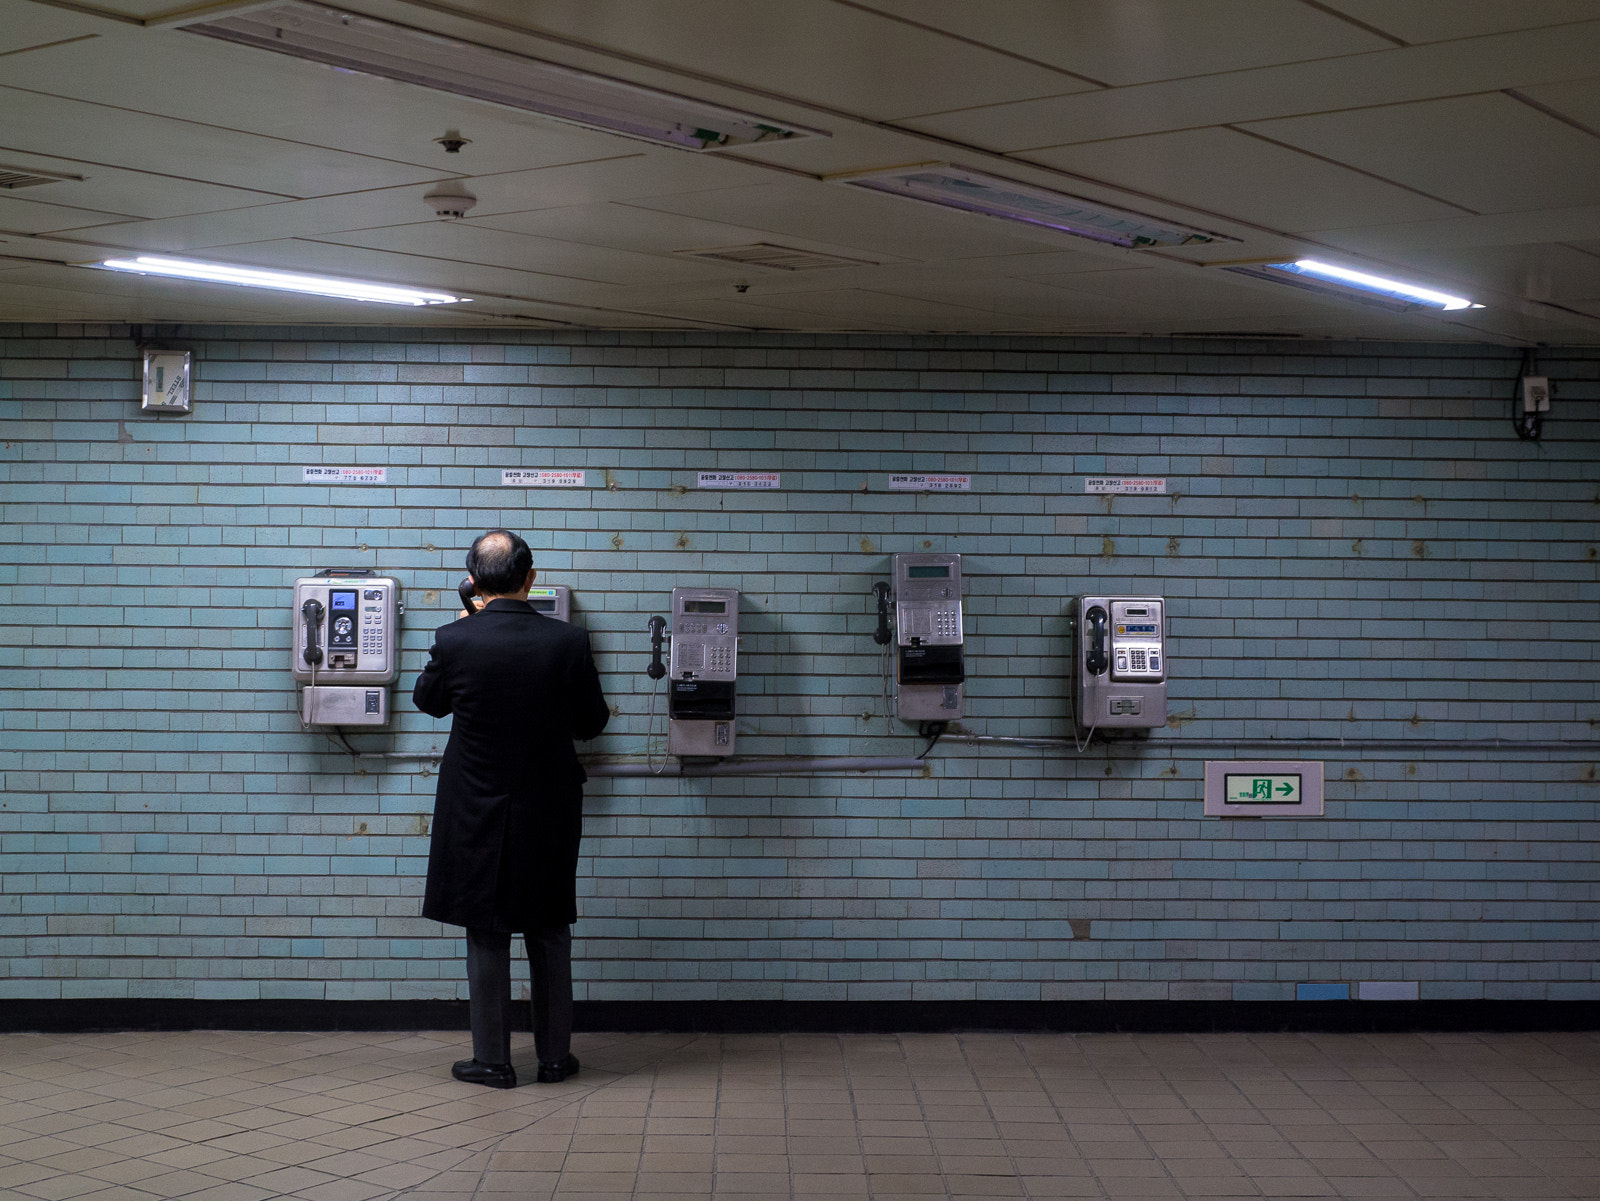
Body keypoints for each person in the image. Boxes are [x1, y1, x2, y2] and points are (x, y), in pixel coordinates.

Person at [413, 529, 609, 1088]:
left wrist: (467, 619)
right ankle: (553, 1059)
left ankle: (493, 1061)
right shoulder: (567, 642)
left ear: (472, 581)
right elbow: (592, 722)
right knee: (548, 929)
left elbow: (428, 703)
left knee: (486, 930)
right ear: (530, 578)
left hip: (474, 807)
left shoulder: (454, 639)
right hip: (547, 807)